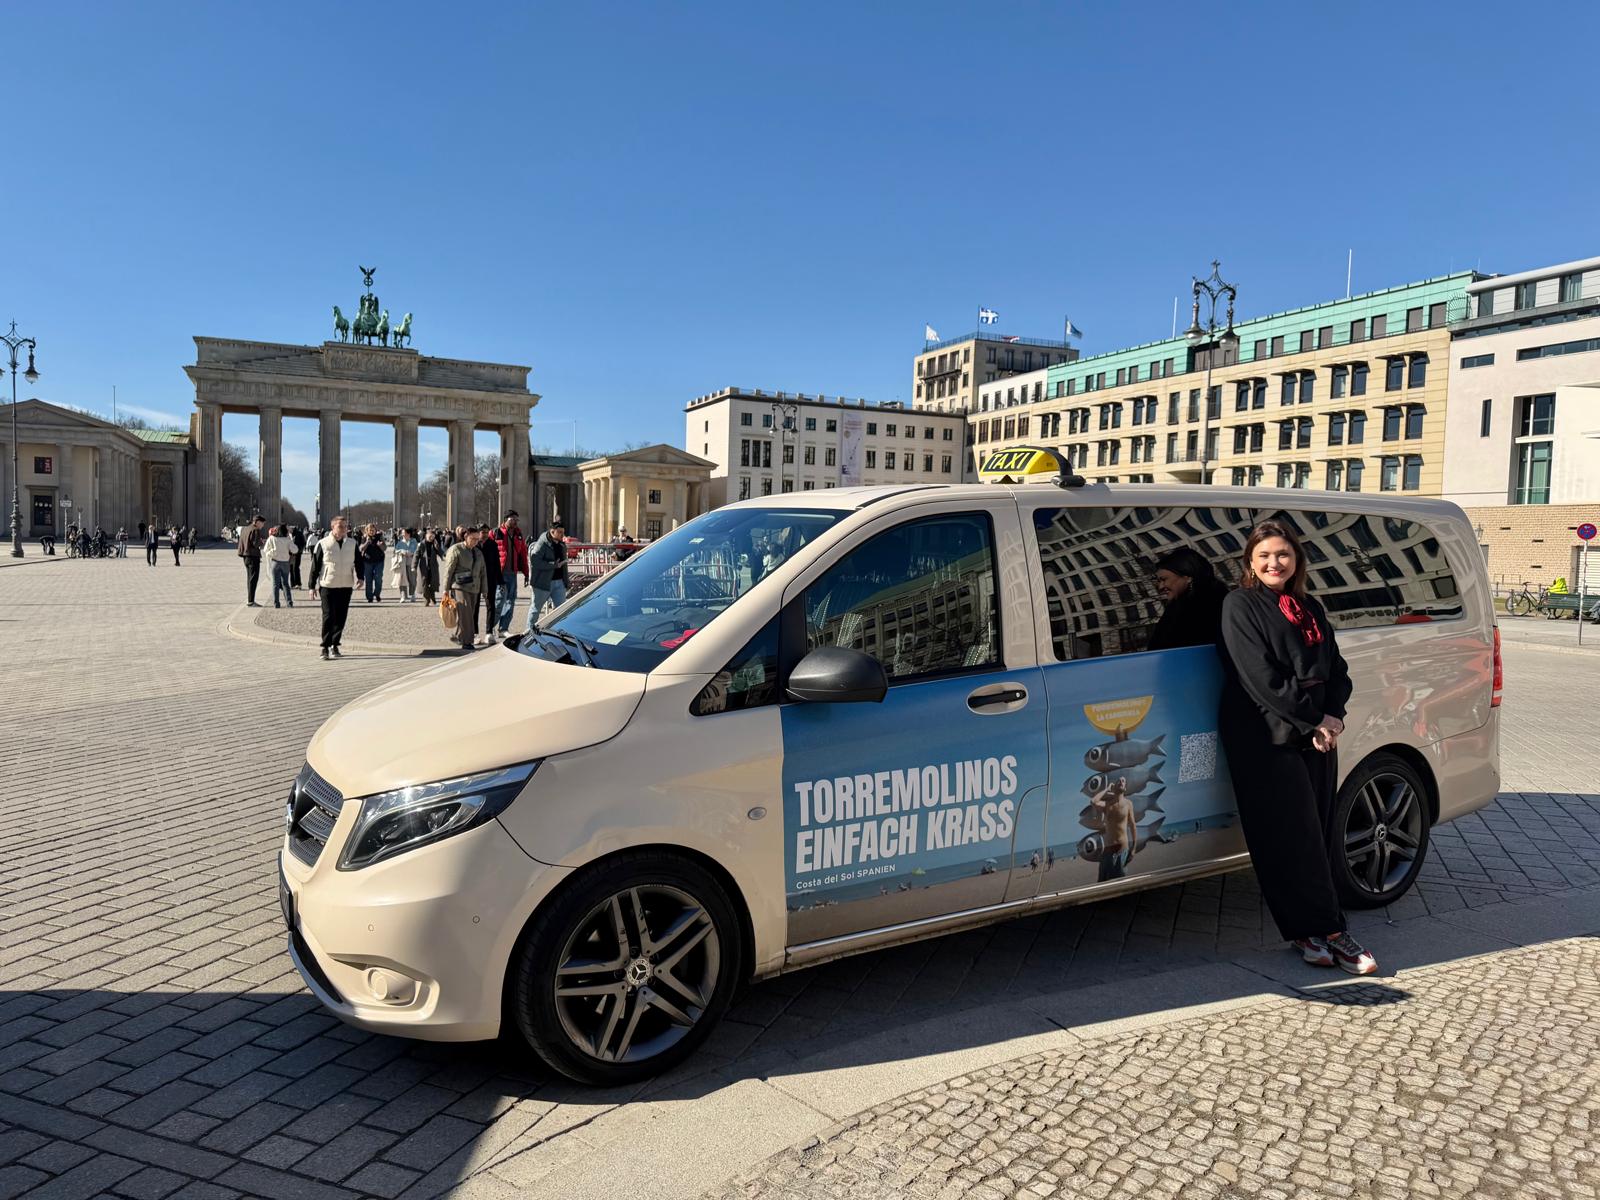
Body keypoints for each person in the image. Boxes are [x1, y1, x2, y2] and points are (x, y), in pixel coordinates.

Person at [1216, 519, 1376, 976]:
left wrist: (1334, 715)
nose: (1274, 562)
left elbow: (1336, 668)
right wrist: (1313, 718)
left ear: (1297, 561)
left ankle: (1309, 932)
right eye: (1264, 555)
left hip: (1316, 731)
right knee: (1290, 837)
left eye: (1283, 554)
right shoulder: (1239, 605)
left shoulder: (1308, 606)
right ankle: (1329, 930)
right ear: (1250, 560)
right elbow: (1259, 676)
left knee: (1320, 830)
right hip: (1266, 733)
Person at [1148, 547, 1230, 651]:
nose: (1160, 587)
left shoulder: (1200, 609)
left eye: (1164, 580)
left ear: (1188, 577)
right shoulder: (1223, 601)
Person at [309, 515, 358, 660]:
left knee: (341, 617)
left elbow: (358, 561)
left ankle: (335, 644)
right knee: (328, 616)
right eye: (340, 526)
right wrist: (311, 587)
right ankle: (325, 646)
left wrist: (360, 577)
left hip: (346, 585)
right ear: (333, 527)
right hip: (327, 585)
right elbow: (315, 566)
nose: (344, 529)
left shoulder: (352, 543)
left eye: (345, 526)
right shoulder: (323, 544)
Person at [441, 526, 486, 651]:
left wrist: (485, 590)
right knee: (465, 613)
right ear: (466, 537)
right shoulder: (456, 549)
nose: (476, 541)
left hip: (474, 587)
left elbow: (483, 572)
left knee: (469, 614)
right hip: (460, 586)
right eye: (473, 539)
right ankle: (467, 641)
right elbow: (448, 570)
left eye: (478, 539)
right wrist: (445, 589)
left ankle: (459, 636)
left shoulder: (478, 552)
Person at [525, 520, 568, 633]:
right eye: (559, 532)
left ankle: (558, 633)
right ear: (552, 531)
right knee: (535, 610)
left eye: (563, 532)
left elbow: (563, 565)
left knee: (561, 611)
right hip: (543, 582)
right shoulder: (542, 542)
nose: (562, 535)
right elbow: (535, 560)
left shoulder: (562, 544)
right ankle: (528, 632)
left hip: (559, 582)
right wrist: (553, 565)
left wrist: (565, 581)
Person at [492, 511, 529, 636]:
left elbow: (523, 554)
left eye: (516, 519)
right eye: (512, 519)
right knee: (498, 600)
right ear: (505, 519)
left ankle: (503, 629)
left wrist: (526, 573)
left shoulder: (518, 534)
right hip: (499, 573)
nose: (514, 522)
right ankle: (490, 627)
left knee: (510, 601)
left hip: (512, 573)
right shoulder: (496, 533)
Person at [477, 523, 503, 643]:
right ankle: (475, 633)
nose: (485, 535)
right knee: (474, 606)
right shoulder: (474, 544)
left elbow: (497, 563)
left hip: (490, 578)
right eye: (483, 532)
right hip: (476, 579)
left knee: (490, 605)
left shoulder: (492, 544)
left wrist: (500, 580)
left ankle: (489, 632)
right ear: (478, 533)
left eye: (487, 532)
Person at [264, 523, 294, 608]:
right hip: (285, 563)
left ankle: (276, 603)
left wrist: (273, 551)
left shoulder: (272, 538)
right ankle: (289, 602)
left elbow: (265, 550)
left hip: (275, 562)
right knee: (285, 583)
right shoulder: (287, 539)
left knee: (275, 584)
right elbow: (295, 550)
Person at [237, 514, 264, 602]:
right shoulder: (255, 530)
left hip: (246, 556)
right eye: (262, 523)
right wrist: (261, 542)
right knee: (253, 579)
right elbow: (255, 543)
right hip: (253, 557)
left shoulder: (245, 529)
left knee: (249, 578)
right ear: (257, 522)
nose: (262, 526)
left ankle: (250, 600)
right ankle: (251, 601)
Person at [359, 524, 386, 602]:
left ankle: (377, 594)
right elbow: (361, 548)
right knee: (368, 579)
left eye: (373, 530)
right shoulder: (364, 538)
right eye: (370, 530)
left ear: (375, 530)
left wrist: (381, 545)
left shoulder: (379, 537)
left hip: (379, 561)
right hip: (367, 561)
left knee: (378, 578)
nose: (371, 532)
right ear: (367, 531)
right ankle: (369, 597)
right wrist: (367, 542)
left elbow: (384, 548)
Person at [393, 527, 419, 602]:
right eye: (402, 533)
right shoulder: (400, 542)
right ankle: (403, 596)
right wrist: (400, 552)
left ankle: (412, 594)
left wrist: (404, 552)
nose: (403, 534)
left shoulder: (413, 541)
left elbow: (413, 551)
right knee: (402, 580)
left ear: (409, 534)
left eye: (404, 533)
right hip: (402, 564)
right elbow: (395, 551)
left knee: (412, 580)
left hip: (411, 563)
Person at [418, 528, 441, 607]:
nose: (431, 538)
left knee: (433, 583)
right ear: (426, 536)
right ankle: (426, 599)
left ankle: (432, 597)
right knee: (424, 583)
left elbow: (441, 553)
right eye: (430, 536)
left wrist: (437, 547)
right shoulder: (421, 544)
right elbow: (416, 555)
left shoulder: (435, 544)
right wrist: (413, 566)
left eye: (433, 536)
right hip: (424, 566)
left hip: (433, 566)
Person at [289, 525, 306, 589]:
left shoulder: (299, 533)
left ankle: (298, 584)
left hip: (297, 554)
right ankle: (292, 584)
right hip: (290, 554)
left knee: (296, 568)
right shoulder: (288, 534)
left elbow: (303, 543)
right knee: (291, 569)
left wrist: (300, 550)